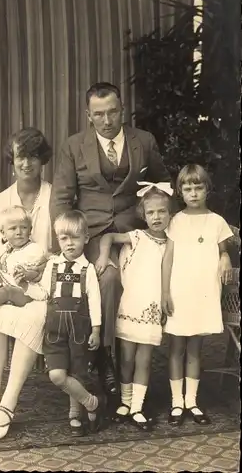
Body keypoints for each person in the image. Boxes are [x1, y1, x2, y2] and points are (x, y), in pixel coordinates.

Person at [50, 82, 170, 403]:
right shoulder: (74, 146)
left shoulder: (143, 141)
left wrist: (154, 217)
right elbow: (61, 198)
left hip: (134, 231)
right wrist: (67, 240)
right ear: (89, 116)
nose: (107, 120)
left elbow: (162, 184)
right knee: (110, 278)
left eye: (113, 112)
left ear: (122, 109)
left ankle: (129, 359)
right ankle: (104, 358)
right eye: (99, 114)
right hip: (90, 232)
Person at [0, 127, 53, 440]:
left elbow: (63, 248)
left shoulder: (55, 195)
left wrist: (38, 273)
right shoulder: (1, 199)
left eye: (33, 155)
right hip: (7, 281)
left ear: (42, 159)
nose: (26, 163)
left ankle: (8, 402)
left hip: (43, 285)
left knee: (33, 316)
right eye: (20, 156)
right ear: (12, 160)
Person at [95, 182, 173, 430]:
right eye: (151, 213)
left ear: (170, 214)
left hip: (151, 309)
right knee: (126, 359)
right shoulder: (137, 237)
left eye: (162, 212)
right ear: (143, 215)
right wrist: (104, 256)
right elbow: (107, 236)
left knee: (144, 360)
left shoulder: (171, 244)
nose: (156, 217)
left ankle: (138, 406)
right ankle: (125, 403)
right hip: (130, 307)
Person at [161, 164, 233, 427]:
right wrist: (165, 292)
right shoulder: (176, 221)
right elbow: (167, 260)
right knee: (176, 348)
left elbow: (223, 248)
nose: (193, 193)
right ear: (180, 192)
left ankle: (192, 401)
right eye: (187, 188)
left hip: (203, 294)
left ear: (207, 189)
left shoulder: (216, 222)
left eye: (198, 187)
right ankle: (176, 403)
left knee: (195, 349)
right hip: (180, 293)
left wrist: (224, 256)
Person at [27, 210, 102, 436]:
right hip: (55, 330)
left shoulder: (87, 270)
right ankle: (91, 402)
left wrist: (96, 330)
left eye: (75, 237)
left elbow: (95, 301)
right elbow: (43, 292)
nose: (69, 244)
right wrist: (25, 288)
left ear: (86, 238)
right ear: (58, 239)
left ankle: (74, 414)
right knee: (58, 375)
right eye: (64, 238)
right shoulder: (52, 266)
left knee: (77, 373)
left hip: (79, 330)